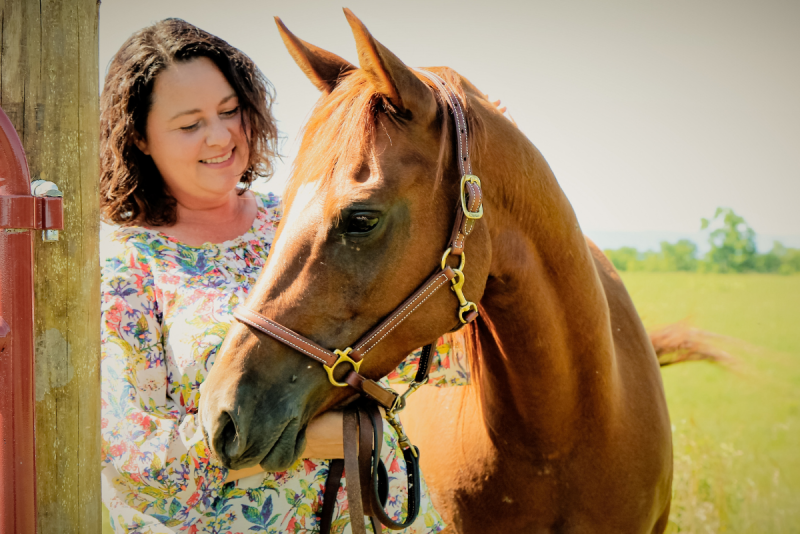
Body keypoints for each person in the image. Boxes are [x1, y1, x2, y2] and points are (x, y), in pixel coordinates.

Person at [99, 18, 471, 534]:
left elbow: (426, 360)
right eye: (190, 124)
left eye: (230, 111)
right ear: (139, 137)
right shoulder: (126, 267)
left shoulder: (307, 220)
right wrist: (323, 437)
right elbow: (133, 459)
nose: (220, 136)